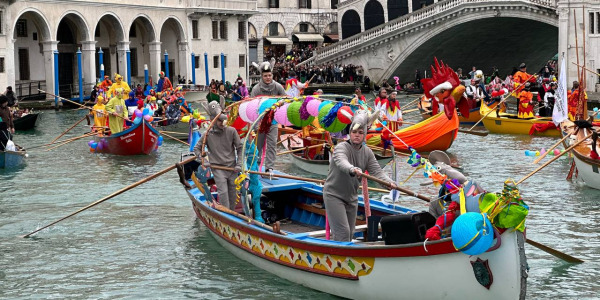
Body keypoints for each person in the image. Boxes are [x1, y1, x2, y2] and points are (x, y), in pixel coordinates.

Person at [324, 110, 397, 241]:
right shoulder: (341, 147)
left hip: (351, 197)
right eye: (354, 132)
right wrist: (352, 169)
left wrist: (389, 183)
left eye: (360, 132)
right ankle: (340, 259)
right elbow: (342, 162)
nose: (356, 135)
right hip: (334, 195)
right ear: (350, 133)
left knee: (350, 232)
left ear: (364, 135)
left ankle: (343, 255)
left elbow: (377, 172)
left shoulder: (367, 152)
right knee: (343, 233)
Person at [193, 102, 243, 211]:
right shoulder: (207, 134)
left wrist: (239, 164)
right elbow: (196, 149)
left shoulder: (232, 131)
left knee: (233, 193)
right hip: (217, 168)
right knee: (223, 193)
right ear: (213, 120)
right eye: (219, 120)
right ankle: (227, 216)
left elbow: (240, 148)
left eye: (223, 120)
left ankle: (231, 213)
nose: (222, 123)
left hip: (232, 168)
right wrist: (203, 160)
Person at [250, 61, 286, 174]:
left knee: (272, 145)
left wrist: (281, 102)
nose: (268, 78)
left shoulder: (278, 87)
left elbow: (285, 100)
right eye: (265, 76)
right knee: (258, 146)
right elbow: (252, 107)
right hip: (260, 121)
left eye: (269, 75)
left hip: (273, 121)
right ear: (261, 76)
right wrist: (255, 125)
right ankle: (256, 165)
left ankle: (269, 168)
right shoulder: (256, 89)